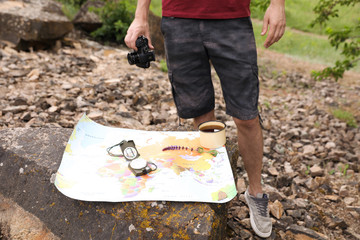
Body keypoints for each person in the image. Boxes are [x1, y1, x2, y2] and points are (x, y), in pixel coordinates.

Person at [125, 0, 286, 238]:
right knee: (200, 111)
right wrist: (141, 16)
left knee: (246, 116)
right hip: (179, 18)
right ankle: (212, 181)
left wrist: (277, 4)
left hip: (232, 19)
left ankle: (255, 192)